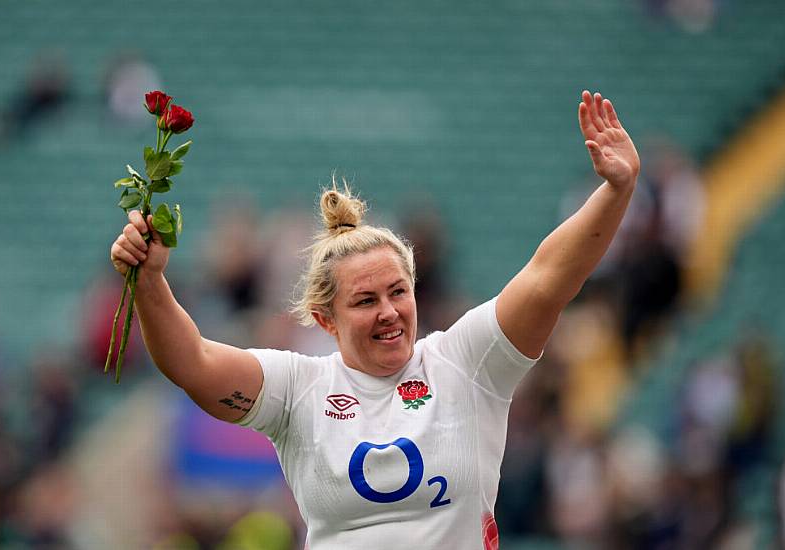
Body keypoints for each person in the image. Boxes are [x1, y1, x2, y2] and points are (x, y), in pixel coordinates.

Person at [109, 90, 640, 549]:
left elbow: (547, 278)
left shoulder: (464, 363)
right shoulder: (299, 389)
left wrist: (616, 192)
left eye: (398, 293)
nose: (388, 312)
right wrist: (151, 281)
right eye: (365, 301)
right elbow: (193, 363)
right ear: (326, 319)